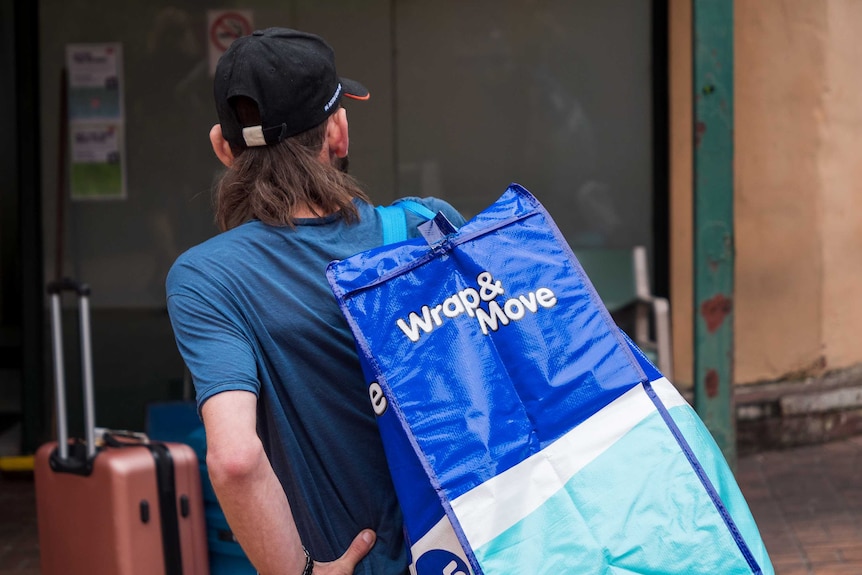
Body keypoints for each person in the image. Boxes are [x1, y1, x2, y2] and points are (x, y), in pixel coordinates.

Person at [165, 27, 465, 575]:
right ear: (338, 132)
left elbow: (234, 460)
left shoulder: (207, 278)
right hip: (480, 547)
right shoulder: (426, 229)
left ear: (224, 148)